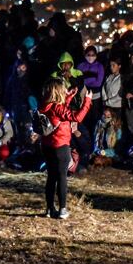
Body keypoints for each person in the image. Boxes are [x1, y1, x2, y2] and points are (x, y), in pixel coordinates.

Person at [39, 77, 92, 219]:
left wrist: (69, 97)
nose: (64, 90)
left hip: (46, 145)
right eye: (63, 89)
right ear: (58, 91)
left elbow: (60, 113)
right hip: (60, 146)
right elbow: (77, 117)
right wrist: (87, 101)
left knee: (51, 177)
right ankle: (63, 209)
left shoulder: (44, 105)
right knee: (62, 177)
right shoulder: (57, 107)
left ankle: (50, 209)